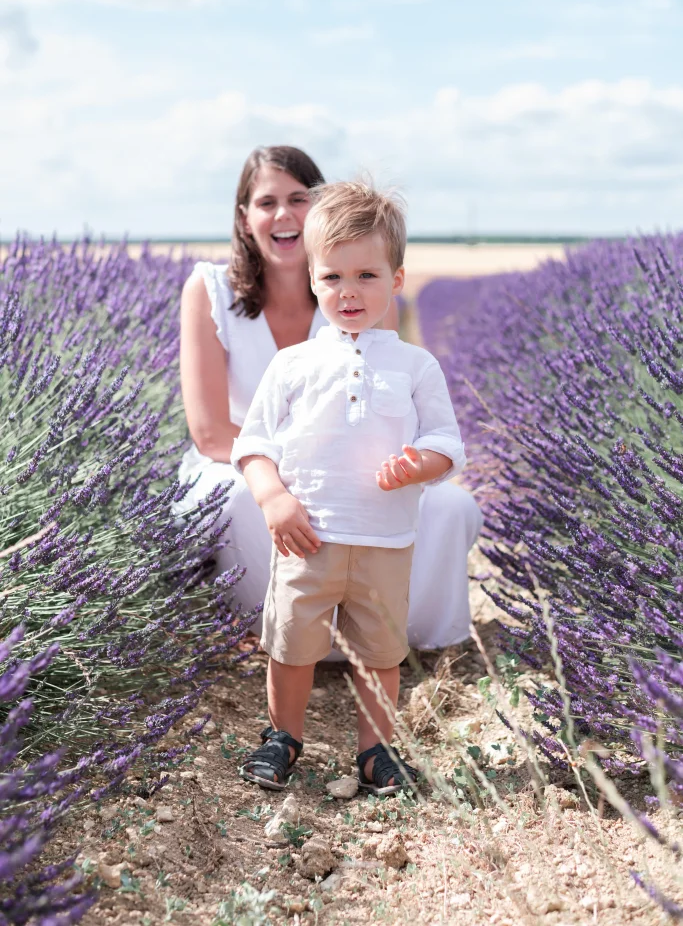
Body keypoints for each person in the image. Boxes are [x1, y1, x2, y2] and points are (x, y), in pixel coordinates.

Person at [177, 145, 482, 658]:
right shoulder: (210, 289)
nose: (283, 215)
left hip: (346, 455)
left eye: (299, 199)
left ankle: (400, 636)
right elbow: (209, 435)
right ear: (244, 217)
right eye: (266, 202)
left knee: (451, 506)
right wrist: (288, 480)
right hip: (241, 462)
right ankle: (275, 632)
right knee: (233, 503)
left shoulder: (364, 289)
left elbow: (389, 406)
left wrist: (373, 470)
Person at [232, 180, 467, 793]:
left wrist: (422, 463)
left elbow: (448, 443)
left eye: (367, 275)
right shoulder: (293, 364)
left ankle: (375, 751)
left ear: (396, 280)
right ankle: (282, 736)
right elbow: (252, 445)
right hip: (307, 536)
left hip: (385, 539)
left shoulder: (416, 365)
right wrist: (273, 497)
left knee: (381, 653)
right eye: (333, 277)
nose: (349, 291)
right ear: (311, 279)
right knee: (291, 646)